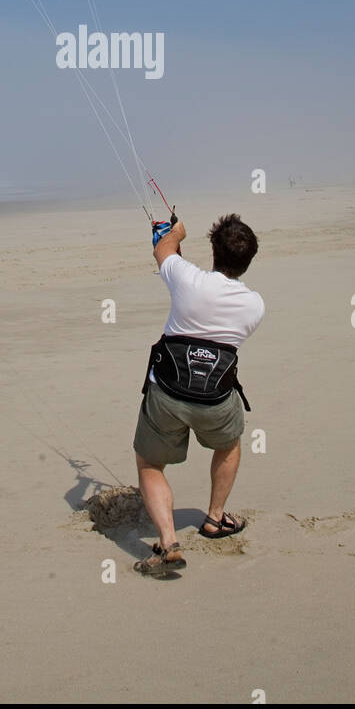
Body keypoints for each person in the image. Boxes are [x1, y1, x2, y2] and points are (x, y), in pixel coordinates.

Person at [132, 213, 264, 575]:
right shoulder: (255, 305)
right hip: (215, 399)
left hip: (168, 393)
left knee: (149, 463)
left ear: (213, 249)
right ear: (248, 261)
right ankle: (215, 519)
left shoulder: (186, 278)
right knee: (230, 443)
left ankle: (168, 540)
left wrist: (174, 234)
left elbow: (163, 251)